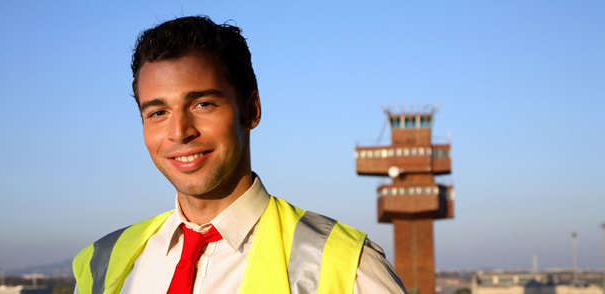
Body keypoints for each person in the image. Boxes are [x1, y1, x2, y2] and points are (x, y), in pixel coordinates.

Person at [73, 15, 407, 294]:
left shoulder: (347, 265)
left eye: (202, 104)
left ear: (250, 111)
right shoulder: (99, 263)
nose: (179, 131)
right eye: (157, 112)